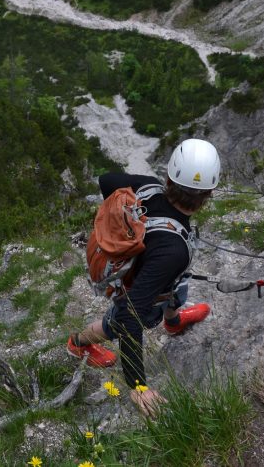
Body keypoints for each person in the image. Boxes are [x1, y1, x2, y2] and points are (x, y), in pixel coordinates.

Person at [67, 139, 221, 416]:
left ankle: (173, 322)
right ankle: (78, 343)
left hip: (158, 271)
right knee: (114, 323)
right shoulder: (173, 251)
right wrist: (138, 386)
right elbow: (130, 314)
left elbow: (107, 180)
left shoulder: (147, 186)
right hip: (139, 283)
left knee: (177, 288)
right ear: (209, 193)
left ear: (169, 179)